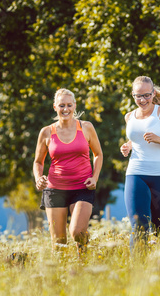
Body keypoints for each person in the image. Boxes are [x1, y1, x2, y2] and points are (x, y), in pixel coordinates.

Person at [33, 88, 103, 254]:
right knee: (59, 244)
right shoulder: (47, 132)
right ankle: (64, 277)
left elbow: (98, 154)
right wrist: (38, 178)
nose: (66, 109)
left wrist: (95, 178)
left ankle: (83, 263)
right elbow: (38, 162)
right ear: (55, 107)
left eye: (69, 105)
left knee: (78, 232)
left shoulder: (86, 127)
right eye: (61, 105)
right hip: (54, 189)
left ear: (75, 106)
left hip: (82, 187)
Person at [120, 76, 160, 246]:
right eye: (138, 96)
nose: (143, 100)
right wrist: (128, 146)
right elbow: (137, 139)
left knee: (158, 223)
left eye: (147, 95)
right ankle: (138, 268)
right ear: (132, 96)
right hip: (136, 172)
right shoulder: (129, 116)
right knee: (138, 224)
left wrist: (158, 139)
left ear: (153, 93)